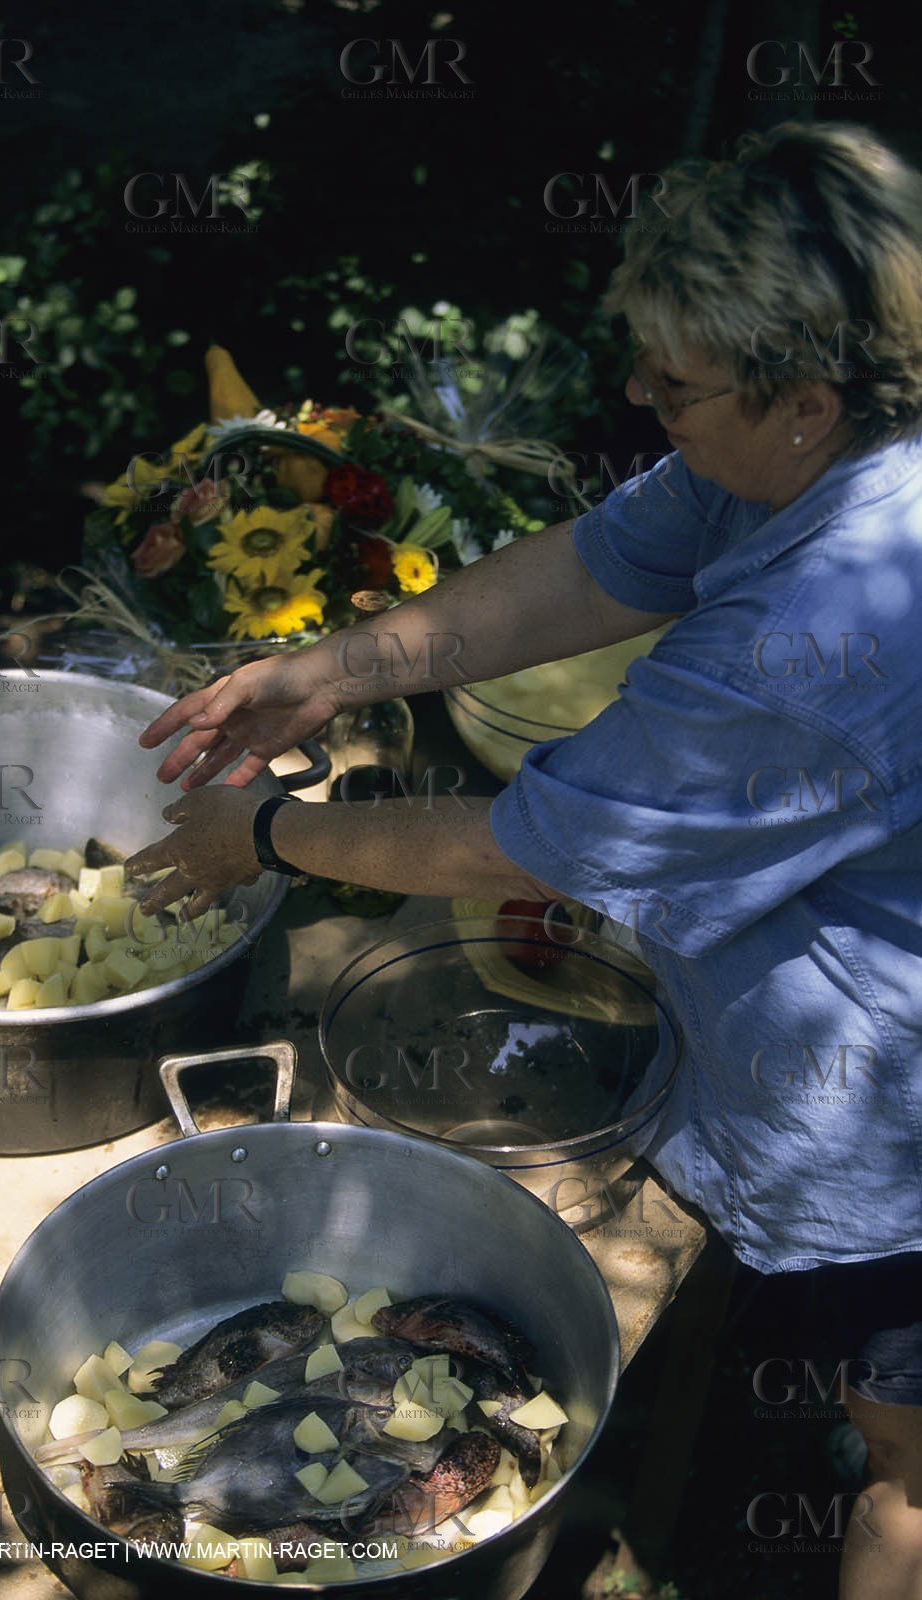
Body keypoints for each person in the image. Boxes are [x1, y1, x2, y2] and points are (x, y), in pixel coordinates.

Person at [129, 122, 922, 1597]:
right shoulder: (811, 448)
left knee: (909, 1464)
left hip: (904, 1112)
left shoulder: (828, 636)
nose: (637, 400)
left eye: (672, 384)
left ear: (807, 401)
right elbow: (596, 563)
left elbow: (528, 845)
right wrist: (341, 668)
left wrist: (271, 838)